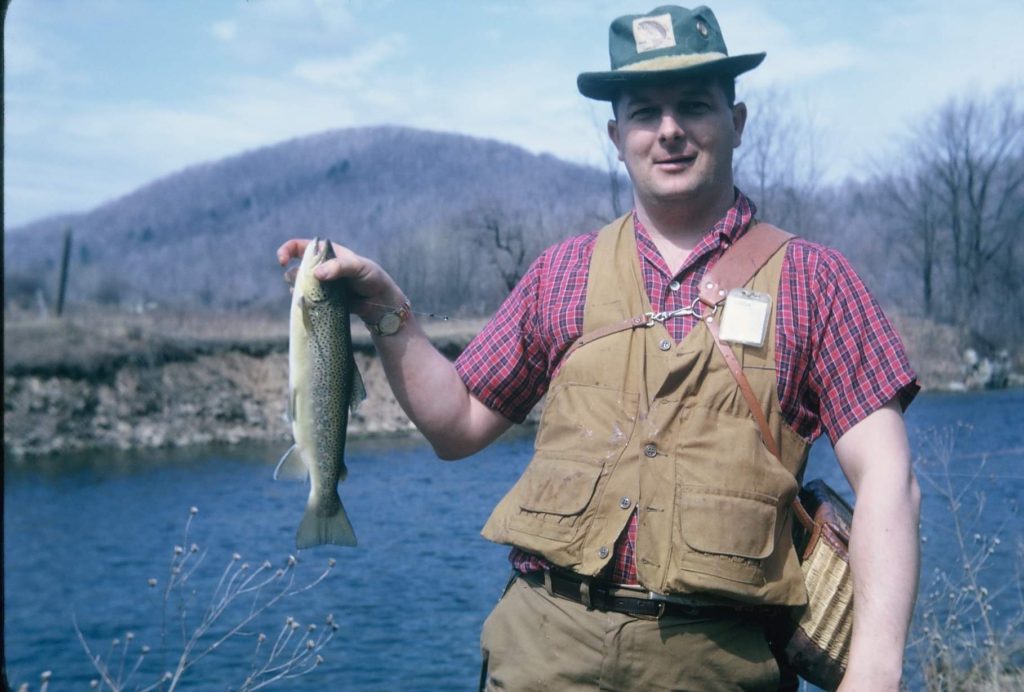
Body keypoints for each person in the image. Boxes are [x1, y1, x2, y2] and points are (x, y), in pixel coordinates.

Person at [277, 5, 921, 690]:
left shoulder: (817, 281)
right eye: (645, 112)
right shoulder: (563, 272)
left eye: (694, 106)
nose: (669, 130)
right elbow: (457, 424)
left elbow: (887, 480)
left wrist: (875, 670)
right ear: (618, 137)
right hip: (540, 658)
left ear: (736, 122)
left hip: (717, 667)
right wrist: (384, 306)